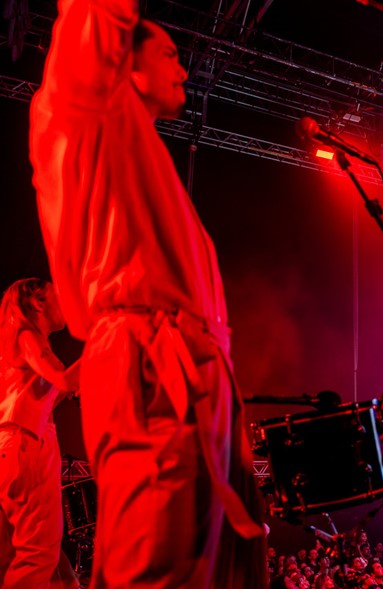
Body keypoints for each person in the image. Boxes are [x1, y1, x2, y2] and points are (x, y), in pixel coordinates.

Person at [29, 1, 266, 586]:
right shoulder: (87, 106)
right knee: (153, 568)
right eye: (168, 54)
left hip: (188, 379)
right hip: (152, 374)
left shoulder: (134, 149)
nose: (184, 69)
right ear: (117, 61)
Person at [0, 278, 78, 589]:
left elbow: (39, 393)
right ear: (38, 302)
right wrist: (107, 339)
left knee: (47, 564)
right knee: (38, 556)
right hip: (28, 445)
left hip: (11, 447)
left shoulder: (13, 342)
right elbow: (64, 379)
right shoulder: (28, 335)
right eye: (57, 294)